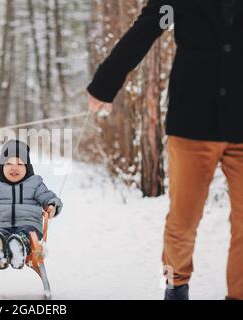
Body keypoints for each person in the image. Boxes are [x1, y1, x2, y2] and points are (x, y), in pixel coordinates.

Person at [87, 0, 243, 300]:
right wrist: (104, 84)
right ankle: (176, 284)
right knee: (183, 222)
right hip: (191, 124)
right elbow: (146, 29)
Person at [0, 140, 62, 270]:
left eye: (20, 164)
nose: (14, 167)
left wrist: (51, 205)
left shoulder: (35, 183)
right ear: (1, 166)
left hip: (29, 225)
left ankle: (18, 247)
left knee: (27, 233)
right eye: (8, 163)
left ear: (27, 167)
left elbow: (48, 196)